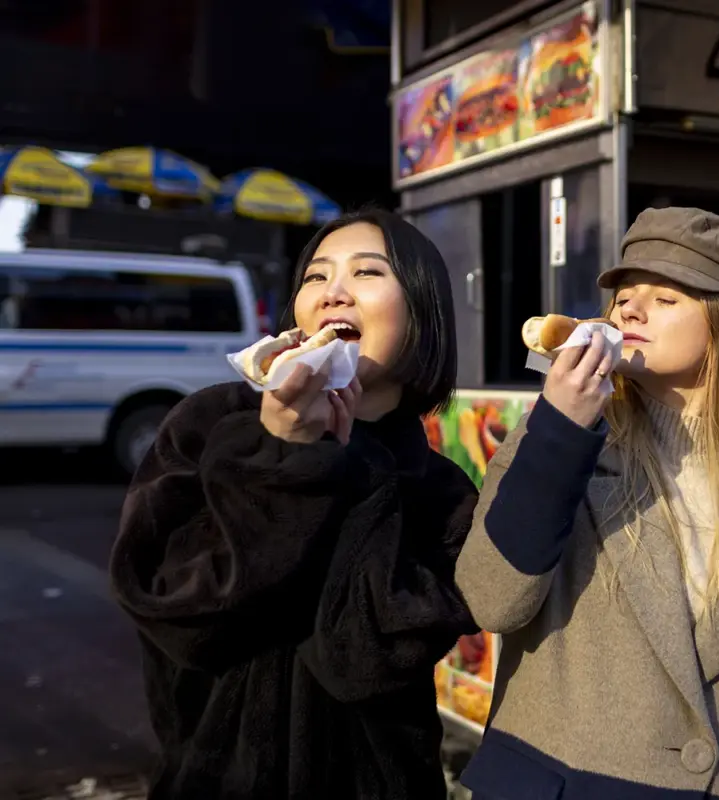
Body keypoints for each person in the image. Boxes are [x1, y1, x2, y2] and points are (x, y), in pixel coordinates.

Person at [110, 209, 478, 799]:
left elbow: (363, 661)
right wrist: (278, 455)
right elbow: (178, 617)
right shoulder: (209, 427)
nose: (333, 292)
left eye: (367, 273)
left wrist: (337, 466)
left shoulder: (444, 492)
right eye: (315, 276)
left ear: (422, 315)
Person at [455, 207, 719, 799]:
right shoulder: (560, 440)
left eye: (666, 298)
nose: (629, 309)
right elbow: (490, 598)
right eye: (625, 295)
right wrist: (559, 430)